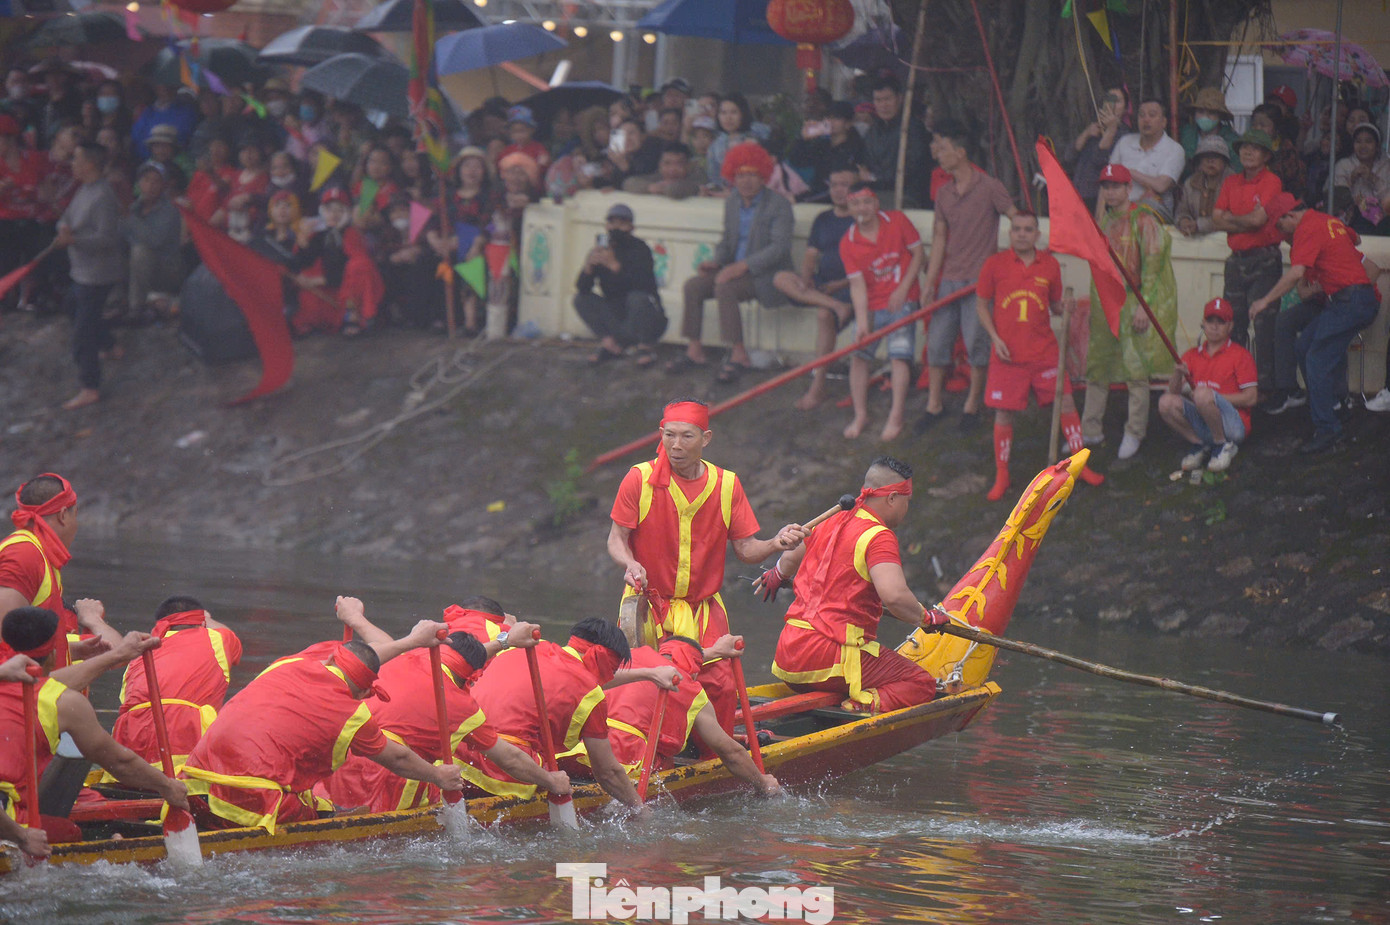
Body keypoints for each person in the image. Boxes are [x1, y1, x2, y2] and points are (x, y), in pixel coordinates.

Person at [179, 598, 466, 833]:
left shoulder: (294, 662)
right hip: (249, 806)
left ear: (330, 658)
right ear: (364, 694)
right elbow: (399, 759)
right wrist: (438, 776)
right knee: (324, 810)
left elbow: (374, 650)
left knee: (314, 797)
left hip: (193, 788)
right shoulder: (351, 713)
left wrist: (393, 632)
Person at [607, 399, 805, 735]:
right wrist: (630, 563)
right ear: (661, 433)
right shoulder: (638, 479)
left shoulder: (727, 484)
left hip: (703, 608)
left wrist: (775, 543)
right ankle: (652, 753)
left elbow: (745, 549)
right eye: (670, 435)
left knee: (720, 686)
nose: (676, 445)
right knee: (647, 685)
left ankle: (712, 755)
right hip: (647, 604)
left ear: (707, 438)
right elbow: (616, 539)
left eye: (687, 436)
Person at [763, 456, 947, 714]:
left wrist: (777, 574)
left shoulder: (829, 518)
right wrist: (926, 618)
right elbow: (894, 597)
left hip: (787, 656)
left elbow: (791, 555)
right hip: (830, 659)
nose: (907, 508)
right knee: (920, 683)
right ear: (893, 498)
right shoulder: (879, 536)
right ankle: (861, 704)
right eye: (907, 501)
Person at [323, 628, 570, 812]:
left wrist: (504, 641)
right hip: (391, 776)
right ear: (472, 677)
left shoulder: (409, 653)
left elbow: (463, 658)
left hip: (342, 763)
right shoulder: (463, 707)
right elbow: (510, 758)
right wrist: (550, 780)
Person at [1, 607, 190, 822]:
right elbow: (119, 762)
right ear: (53, 654)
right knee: (71, 833)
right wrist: (168, 787)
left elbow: (43, 684)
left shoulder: (8, 674)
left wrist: (100, 654)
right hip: (9, 818)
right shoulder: (65, 703)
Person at [976, 212, 1106, 500]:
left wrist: (1066, 307)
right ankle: (1002, 475)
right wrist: (995, 338)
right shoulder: (995, 264)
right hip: (1007, 354)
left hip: (1044, 351)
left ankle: (1079, 465)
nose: (1022, 234)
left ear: (1037, 234)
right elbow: (981, 304)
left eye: (1028, 229)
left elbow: (1056, 306)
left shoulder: (1049, 265)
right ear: (1010, 233)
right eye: (1017, 229)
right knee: (1003, 412)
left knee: (1067, 402)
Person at [467, 618, 647, 810]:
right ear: (604, 659)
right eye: (611, 670)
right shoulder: (591, 695)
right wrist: (640, 809)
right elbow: (607, 773)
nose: (609, 677)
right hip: (504, 774)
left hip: (458, 753)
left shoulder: (524, 646)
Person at [1251, 193, 1380, 454]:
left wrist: (1264, 301)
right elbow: (1356, 238)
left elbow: (1297, 273)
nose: (1281, 232)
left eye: (1279, 224)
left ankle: (1328, 429)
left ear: (1290, 215)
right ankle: (1331, 406)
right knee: (1305, 346)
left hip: (1350, 300)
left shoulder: (1307, 228)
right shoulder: (1327, 221)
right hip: (1349, 300)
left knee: (1317, 358)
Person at [917, 120, 1017, 433]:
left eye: (944, 149)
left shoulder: (989, 187)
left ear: (960, 153)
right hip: (950, 278)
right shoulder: (944, 193)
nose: (938, 155)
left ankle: (973, 404)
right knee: (937, 342)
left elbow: (1018, 220)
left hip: (980, 282)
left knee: (977, 343)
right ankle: (933, 404)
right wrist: (931, 283)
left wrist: (1010, 265)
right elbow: (940, 239)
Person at [670, 142, 793, 383]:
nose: (746, 181)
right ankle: (694, 350)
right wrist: (716, 262)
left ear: (763, 176)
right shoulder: (733, 201)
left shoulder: (779, 205)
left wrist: (742, 266)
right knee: (693, 285)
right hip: (734, 270)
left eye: (752, 175)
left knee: (724, 288)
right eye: (740, 175)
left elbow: (779, 249)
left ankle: (739, 355)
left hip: (766, 274)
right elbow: (727, 241)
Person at [595, 635, 779, 795]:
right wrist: (763, 782)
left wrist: (714, 652)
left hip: (584, 750)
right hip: (625, 761)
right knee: (667, 759)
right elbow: (729, 752)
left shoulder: (630, 656)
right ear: (696, 671)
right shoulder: (691, 690)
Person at [1081, 164, 1178, 461]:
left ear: (1128, 189)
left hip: (1133, 302)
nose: (1110, 191)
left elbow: (1153, 268)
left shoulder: (1143, 220)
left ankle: (1134, 431)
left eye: (1116, 186)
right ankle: (1090, 430)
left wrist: (1144, 307)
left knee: (1136, 371)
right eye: (1106, 186)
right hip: (1107, 304)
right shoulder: (1106, 221)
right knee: (1098, 366)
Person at [0, 474, 120, 670]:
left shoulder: (37, 554)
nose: (77, 525)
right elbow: (4, 641)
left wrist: (73, 651)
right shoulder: (24, 554)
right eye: (76, 515)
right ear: (63, 515)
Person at [111, 597, 242, 771]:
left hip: (128, 749)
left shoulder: (137, 657)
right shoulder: (215, 638)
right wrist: (207, 618)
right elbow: (228, 635)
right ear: (201, 622)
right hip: (185, 742)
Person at [838, 182, 925, 442]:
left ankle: (896, 416)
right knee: (859, 356)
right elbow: (857, 285)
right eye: (855, 203)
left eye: (866, 202)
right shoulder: (849, 242)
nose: (862, 208)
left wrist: (903, 289)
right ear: (849, 208)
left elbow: (918, 254)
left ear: (876, 204)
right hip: (873, 305)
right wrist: (863, 321)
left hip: (903, 301)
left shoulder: (897, 221)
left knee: (899, 357)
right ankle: (860, 414)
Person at [772, 165, 857, 410]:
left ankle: (817, 387)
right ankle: (834, 306)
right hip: (822, 286)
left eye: (845, 185)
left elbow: (868, 266)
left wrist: (839, 285)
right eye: (835, 185)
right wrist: (806, 278)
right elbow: (811, 255)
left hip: (850, 285)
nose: (839, 191)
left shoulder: (861, 217)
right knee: (782, 278)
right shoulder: (823, 219)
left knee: (823, 316)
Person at [1213, 127, 1285, 394]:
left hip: (1264, 259)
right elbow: (1216, 217)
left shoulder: (1272, 181)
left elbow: (1259, 220)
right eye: (1244, 147)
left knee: (1264, 325)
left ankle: (1267, 389)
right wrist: (1242, 221)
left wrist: (1232, 220)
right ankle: (1237, 384)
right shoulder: (1231, 181)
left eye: (1254, 148)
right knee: (1233, 323)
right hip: (1236, 259)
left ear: (1266, 155)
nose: (1247, 151)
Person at [53, 142, 122, 410]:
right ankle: (110, 344)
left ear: (90, 164)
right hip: (81, 271)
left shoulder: (103, 196)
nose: (72, 164)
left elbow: (107, 239)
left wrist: (74, 241)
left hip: (98, 274)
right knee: (73, 305)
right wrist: (63, 229)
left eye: (76, 159)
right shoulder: (83, 189)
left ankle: (89, 386)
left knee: (83, 332)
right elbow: (67, 217)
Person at [1156, 298, 1257, 473]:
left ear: (1230, 326)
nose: (1215, 326)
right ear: (1203, 324)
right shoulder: (1192, 354)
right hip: (1204, 421)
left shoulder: (1241, 355)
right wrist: (1178, 373)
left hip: (1233, 426)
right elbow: (1172, 393)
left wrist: (1212, 398)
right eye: (1210, 321)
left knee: (1202, 394)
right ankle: (1200, 444)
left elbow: (1251, 398)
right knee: (1165, 402)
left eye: (1221, 322)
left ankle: (1221, 445)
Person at [574, 202, 667, 367]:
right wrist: (588, 268)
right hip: (617, 316)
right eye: (612, 223)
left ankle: (645, 347)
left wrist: (615, 266)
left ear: (631, 227)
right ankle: (611, 345)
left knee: (637, 298)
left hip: (646, 317)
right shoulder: (603, 249)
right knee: (580, 299)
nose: (615, 228)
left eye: (621, 223)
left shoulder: (640, 249)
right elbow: (583, 289)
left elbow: (643, 286)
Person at [286, 186, 385, 336]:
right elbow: (306, 261)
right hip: (327, 287)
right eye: (330, 209)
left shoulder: (351, 234)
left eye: (339, 210)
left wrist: (321, 280)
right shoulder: (319, 235)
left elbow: (355, 265)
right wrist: (303, 244)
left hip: (345, 287)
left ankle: (355, 316)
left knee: (358, 266)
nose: (334, 214)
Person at [122, 162, 185, 321]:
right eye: (146, 180)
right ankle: (114, 301)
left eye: (156, 181)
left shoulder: (170, 210)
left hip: (167, 271)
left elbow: (155, 240)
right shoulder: (134, 207)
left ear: (164, 185)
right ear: (139, 183)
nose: (150, 185)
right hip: (142, 270)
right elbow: (121, 234)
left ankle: (136, 309)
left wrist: (130, 219)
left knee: (140, 251)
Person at [1109, 98, 1186, 222]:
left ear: (1164, 122)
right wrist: (1099, 216)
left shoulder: (1175, 149)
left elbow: (1161, 186)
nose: (1146, 120)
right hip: (1121, 210)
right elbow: (1107, 179)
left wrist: (1127, 171)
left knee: (1147, 205)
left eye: (1152, 115)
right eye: (1141, 115)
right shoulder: (1125, 142)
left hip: (1154, 214)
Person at [860, 75, 929, 208]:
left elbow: (913, 166)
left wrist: (876, 178)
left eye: (887, 99)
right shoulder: (872, 131)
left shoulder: (912, 128)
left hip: (905, 196)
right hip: (877, 191)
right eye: (878, 100)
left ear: (900, 98)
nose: (883, 105)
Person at [1071, 87, 1128, 214]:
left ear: (1125, 109)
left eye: (1117, 101)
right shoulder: (1093, 128)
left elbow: (1099, 159)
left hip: (1098, 198)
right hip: (1078, 193)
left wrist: (1111, 129)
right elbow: (1069, 157)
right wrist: (1086, 134)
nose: (1112, 104)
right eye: (1109, 100)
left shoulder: (1125, 136)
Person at [1332, 123, 1390, 236]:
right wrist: (1351, 180)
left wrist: (1373, 179)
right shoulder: (1343, 165)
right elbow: (1337, 200)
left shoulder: (1387, 167)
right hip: (1350, 221)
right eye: (1358, 141)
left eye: (1368, 141)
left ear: (1377, 145)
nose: (1363, 146)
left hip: (1383, 223)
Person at [1174, 136, 1234, 237]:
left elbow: (1231, 217)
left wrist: (1200, 225)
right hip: (1195, 236)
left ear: (1224, 161)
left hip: (1225, 237)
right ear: (1199, 162)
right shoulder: (1190, 183)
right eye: (1205, 156)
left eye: (1216, 156)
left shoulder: (1234, 183)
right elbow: (1182, 209)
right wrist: (1184, 220)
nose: (1210, 161)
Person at [621, 141, 706, 199]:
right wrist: (649, 187)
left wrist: (662, 188)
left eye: (679, 164)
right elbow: (628, 183)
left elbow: (674, 190)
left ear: (688, 166)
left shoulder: (698, 178)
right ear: (660, 165)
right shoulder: (658, 177)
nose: (672, 169)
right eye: (667, 163)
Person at [1178, 87, 1240, 164]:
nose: (1205, 116)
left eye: (1211, 113)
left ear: (1220, 116)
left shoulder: (1232, 141)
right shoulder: (1185, 133)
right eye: (1200, 111)